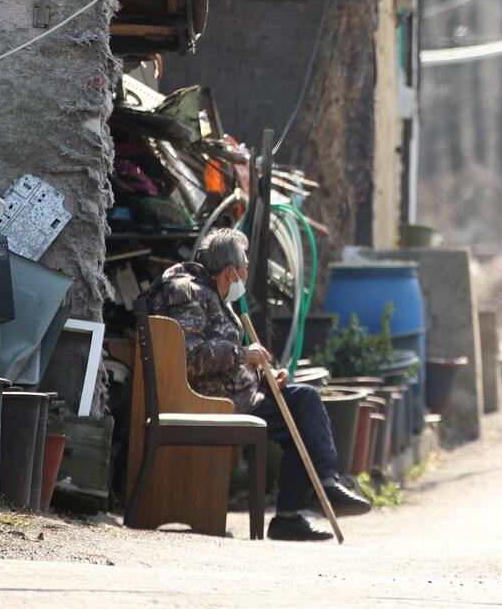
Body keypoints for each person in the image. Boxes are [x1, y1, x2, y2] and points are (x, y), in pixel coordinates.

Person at [146, 227, 371, 541]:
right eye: (246, 267)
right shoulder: (188, 293)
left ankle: (308, 501)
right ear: (229, 271)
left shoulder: (216, 297)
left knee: (303, 400)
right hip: (211, 401)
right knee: (303, 407)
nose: (247, 273)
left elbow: (229, 358)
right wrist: (242, 354)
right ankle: (319, 492)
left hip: (238, 394)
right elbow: (189, 358)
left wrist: (266, 374)